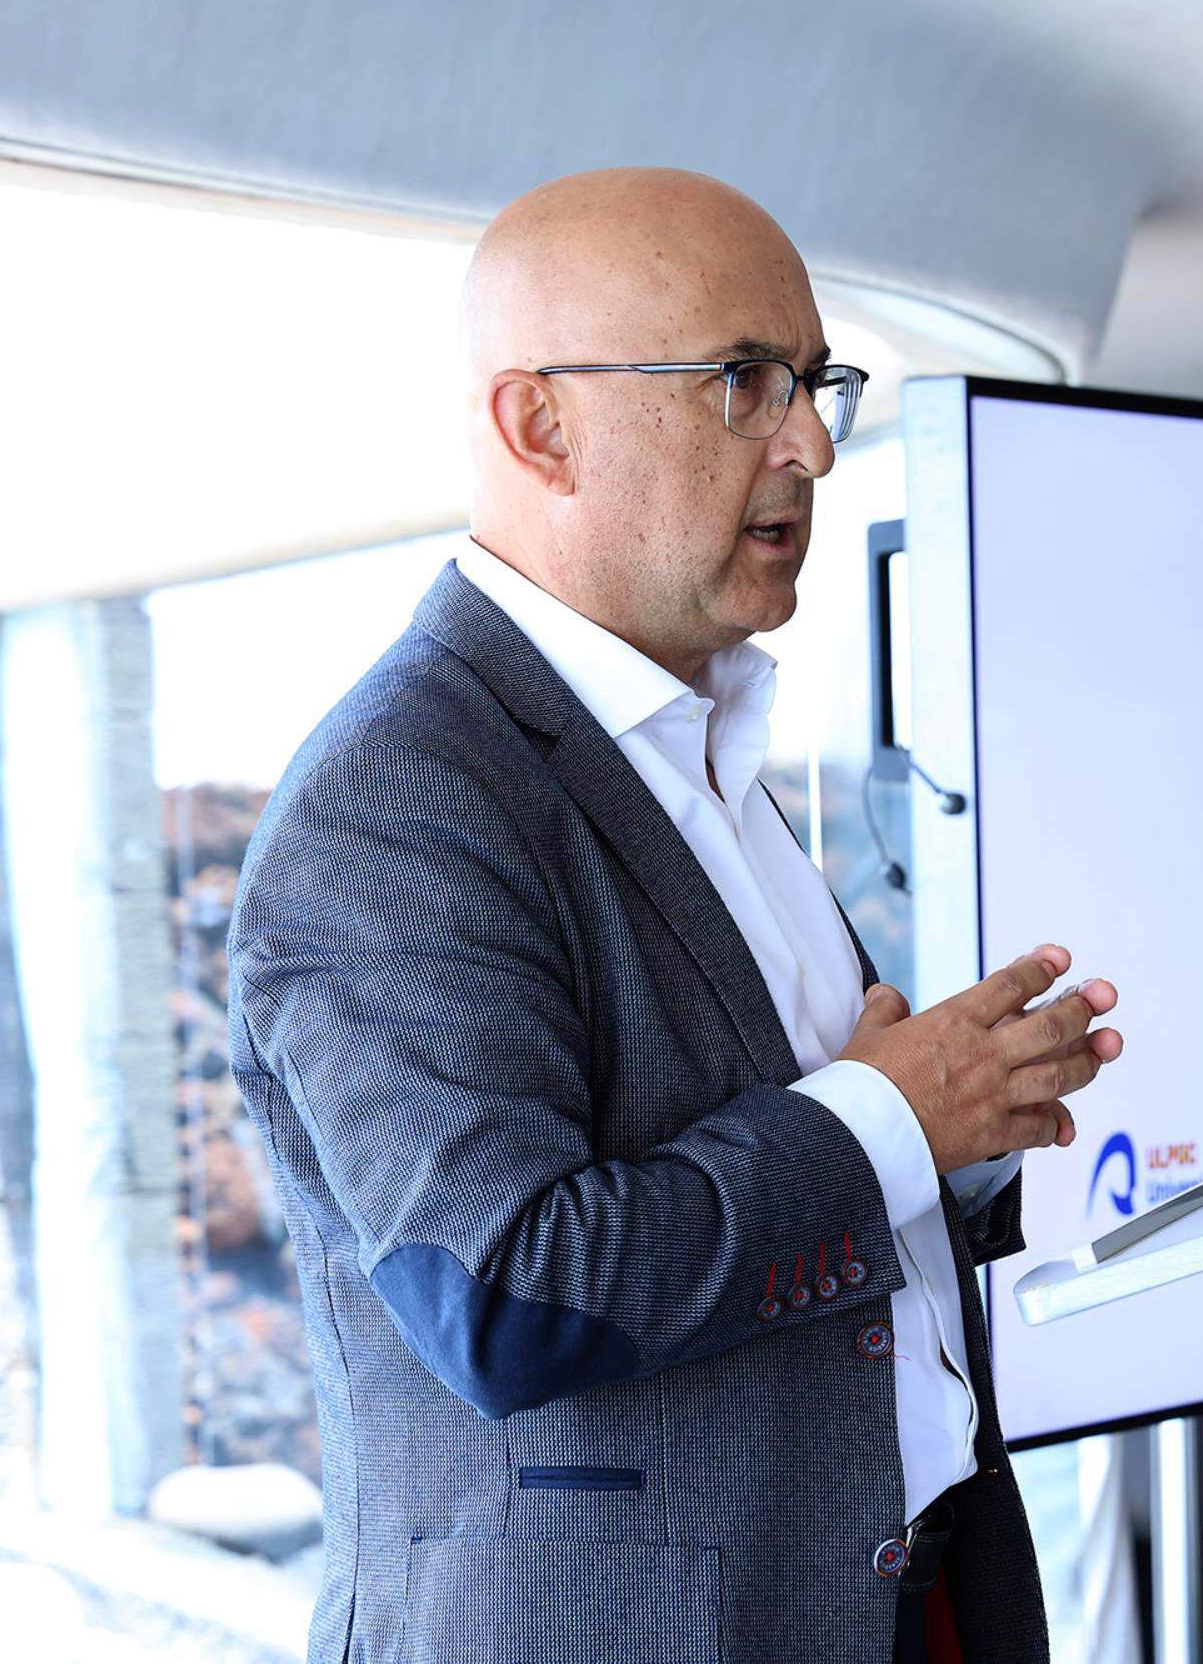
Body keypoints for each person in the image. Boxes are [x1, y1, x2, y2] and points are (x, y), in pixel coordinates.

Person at [228, 166, 1123, 1664]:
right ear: (540, 425)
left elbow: (797, 1172)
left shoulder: (693, 749)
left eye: (818, 382)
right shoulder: (398, 796)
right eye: (743, 380)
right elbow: (510, 1294)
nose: (812, 443)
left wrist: (959, 1126)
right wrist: (888, 1117)